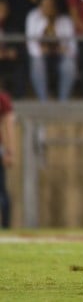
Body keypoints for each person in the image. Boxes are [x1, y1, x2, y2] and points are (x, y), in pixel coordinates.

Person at [26, 0, 77, 101]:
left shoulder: (65, 20)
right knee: (37, 63)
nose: (46, 8)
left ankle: (63, 100)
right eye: (44, 5)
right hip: (41, 54)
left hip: (60, 55)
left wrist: (63, 50)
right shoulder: (33, 16)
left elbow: (72, 47)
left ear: (56, 7)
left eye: (50, 6)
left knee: (69, 65)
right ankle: (43, 100)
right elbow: (31, 44)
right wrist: (41, 51)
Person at [0, 86, 15, 228]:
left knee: (2, 192)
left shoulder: (2, 99)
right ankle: (5, 227)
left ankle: (5, 226)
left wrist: (9, 151)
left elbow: (8, 125)